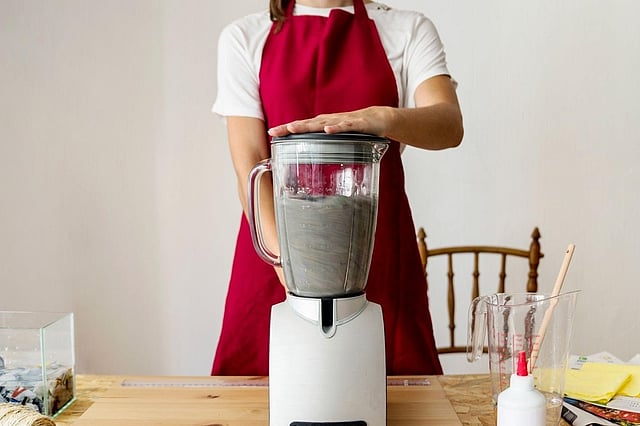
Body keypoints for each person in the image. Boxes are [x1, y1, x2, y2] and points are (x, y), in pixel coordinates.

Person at [211, 0, 463, 376]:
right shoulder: (244, 36)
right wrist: (294, 271)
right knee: (262, 394)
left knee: (393, 394)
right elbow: (250, 163)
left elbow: (449, 123)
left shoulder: (407, 28)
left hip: (377, 258)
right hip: (274, 254)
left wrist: (381, 118)